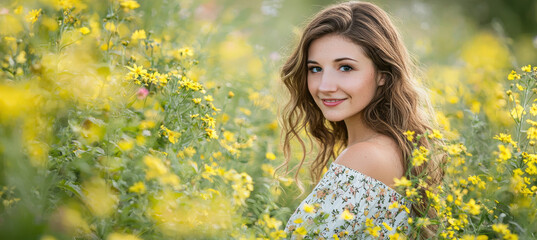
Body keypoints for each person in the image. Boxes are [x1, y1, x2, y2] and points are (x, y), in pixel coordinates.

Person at [278, 1, 444, 239]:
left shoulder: (367, 157)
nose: (325, 86)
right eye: (315, 69)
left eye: (345, 68)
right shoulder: (393, 147)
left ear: (383, 75)